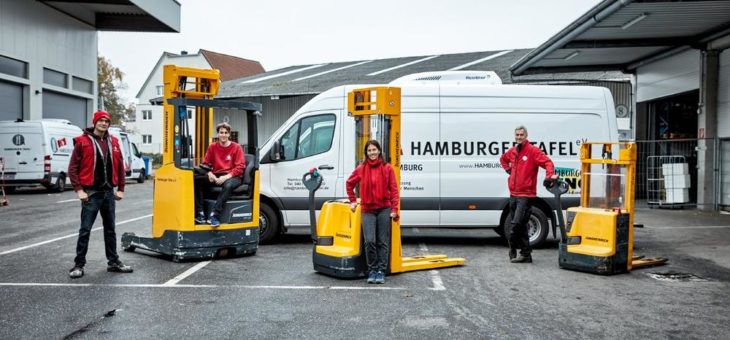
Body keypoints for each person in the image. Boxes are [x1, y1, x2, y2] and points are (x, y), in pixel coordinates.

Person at [67, 110, 133, 279]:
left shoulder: (114, 142)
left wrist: (121, 189)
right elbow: (72, 169)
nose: (104, 123)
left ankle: (113, 262)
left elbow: (120, 168)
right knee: (85, 230)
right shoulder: (82, 142)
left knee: (110, 230)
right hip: (91, 193)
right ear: (95, 122)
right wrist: (79, 190)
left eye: (106, 121)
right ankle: (78, 265)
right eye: (101, 120)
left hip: (108, 193)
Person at [499, 126, 556, 263]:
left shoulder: (532, 151)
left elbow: (548, 163)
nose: (519, 137)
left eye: (521, 135)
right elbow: (502, 159)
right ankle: (526, 255)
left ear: (526, 135)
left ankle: (512, 247)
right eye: (517, 135)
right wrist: (508, 170)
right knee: (523, 226)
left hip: (526, 195)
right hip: (513, 194)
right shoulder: (512, 151)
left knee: (516, 224)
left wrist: (549, 177)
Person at [346, 140, 399, 284]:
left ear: (379, 151)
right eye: (369, 150)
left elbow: (394, 190)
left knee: (382, 242)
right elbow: (349, 183)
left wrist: (394, 209)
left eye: (374, 150)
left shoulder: (387, 168)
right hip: (367, 209)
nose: (372, 153)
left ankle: (381, 271)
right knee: (369, 241)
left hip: (384, 208)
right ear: (366, 153)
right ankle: (373, 270)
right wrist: (352, 200)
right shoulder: (361, 169)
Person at [194, 122, 245, 227]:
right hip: (216, 175)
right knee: (196, 179)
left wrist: (225, 177)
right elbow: (205, 164)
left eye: (226, 133)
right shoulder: (212, 147)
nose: (224, 135)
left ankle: (214, 215)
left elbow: (240, 167)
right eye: (221, 132)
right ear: (218, 134)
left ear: (229, 134)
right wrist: (209, 173)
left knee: (228, 185)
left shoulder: (237, 147)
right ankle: (200, 214)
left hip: (232, 176)